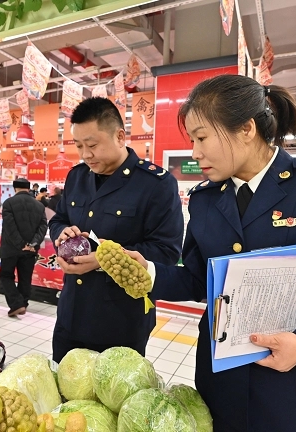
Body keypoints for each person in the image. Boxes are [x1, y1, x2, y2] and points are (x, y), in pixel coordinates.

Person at [114, 76, 296, 432]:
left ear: (246, 128)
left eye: (202, 137)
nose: (195, 152)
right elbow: (199, 277)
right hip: (225, 385)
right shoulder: (205, 199)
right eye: (192, 141)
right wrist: (150, 273)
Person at [48, 97, 184, 363]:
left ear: (120, 136)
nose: (85, 154)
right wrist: (61, 232)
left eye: (92, 145)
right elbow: (58, 219)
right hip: (71, 313)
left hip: (121, 320)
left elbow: (166, 251)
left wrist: (104, 260)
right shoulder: (76, 176)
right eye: (78, 146)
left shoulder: (156, 184)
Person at [0, 178, 47, 317]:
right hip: (30, 250)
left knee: (5, 275)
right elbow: (43, 226)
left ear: (15, 189)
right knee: (25, 277)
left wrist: (21, 244)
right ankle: (23, 304)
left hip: (10, 248)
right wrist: (32, 244)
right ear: (28, 188)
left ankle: (16, 304)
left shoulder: (9, 203)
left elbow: (10, 227)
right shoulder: (39, 206)